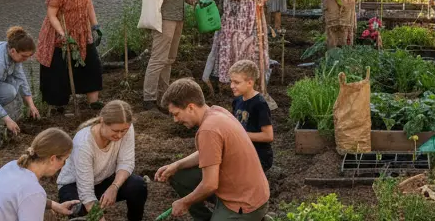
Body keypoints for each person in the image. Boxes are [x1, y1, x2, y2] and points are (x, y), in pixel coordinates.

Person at [156, 79, 269, 221]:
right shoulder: (217, 111)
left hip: (245, 204)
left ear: (191, 107)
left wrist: (184, 202)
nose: (175, 120)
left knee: (205, 185)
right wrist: (177, 165)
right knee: (178, 176)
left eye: (176, 114)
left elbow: (210, 185)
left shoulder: (208, 130)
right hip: (250, 192)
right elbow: (209, 153)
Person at [57, 100, 148, 221]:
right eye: (115, 131)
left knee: (138, 185)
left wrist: (114, 187)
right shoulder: (83, 144)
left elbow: (126, 162)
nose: (120, 135)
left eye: (123, 131)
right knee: (78, 209)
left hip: (103, 179)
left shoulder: (126, 126)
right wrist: (100, 218)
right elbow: (86, 193)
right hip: (75, 185)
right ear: (102, 121)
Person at [37, 0, 103, 112]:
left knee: (92, 64)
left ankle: (93, 102)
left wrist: (95, 25)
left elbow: (88, 4)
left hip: (82, 31)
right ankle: (58, 106)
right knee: (59, 70)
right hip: (60, 33)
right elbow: (51, 15)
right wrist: (62, 34)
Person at [0, 128, 79, 220]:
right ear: (53, 159)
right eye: (64, 160)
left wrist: (55, 206)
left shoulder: (11, 166)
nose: (63, 165)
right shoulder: (33, 191)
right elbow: (30, 196)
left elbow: (22, 198)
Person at [229, 60, 274, 173]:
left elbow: (268, 136)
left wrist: (240, 135)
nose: (232, 86)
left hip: (258, 156)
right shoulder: (237, 101)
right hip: (242, 153)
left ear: (250, 83)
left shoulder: (259, 104)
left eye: (236, 82)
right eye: (231, 81)